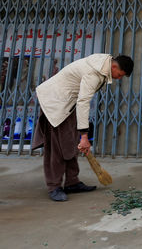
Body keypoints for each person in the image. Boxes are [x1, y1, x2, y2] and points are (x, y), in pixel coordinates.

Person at [32, 53, 134, 202]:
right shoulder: (94, 73)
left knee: (71, 144)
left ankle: (72, 182)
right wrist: (84, 136)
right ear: (114, 66)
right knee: (57, 148)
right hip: (55, 103)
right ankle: (54, 186)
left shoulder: (105, 62)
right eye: (119, 75)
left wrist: (81, 137)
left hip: (68, 103)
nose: (118, 78)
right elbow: (83, 102)